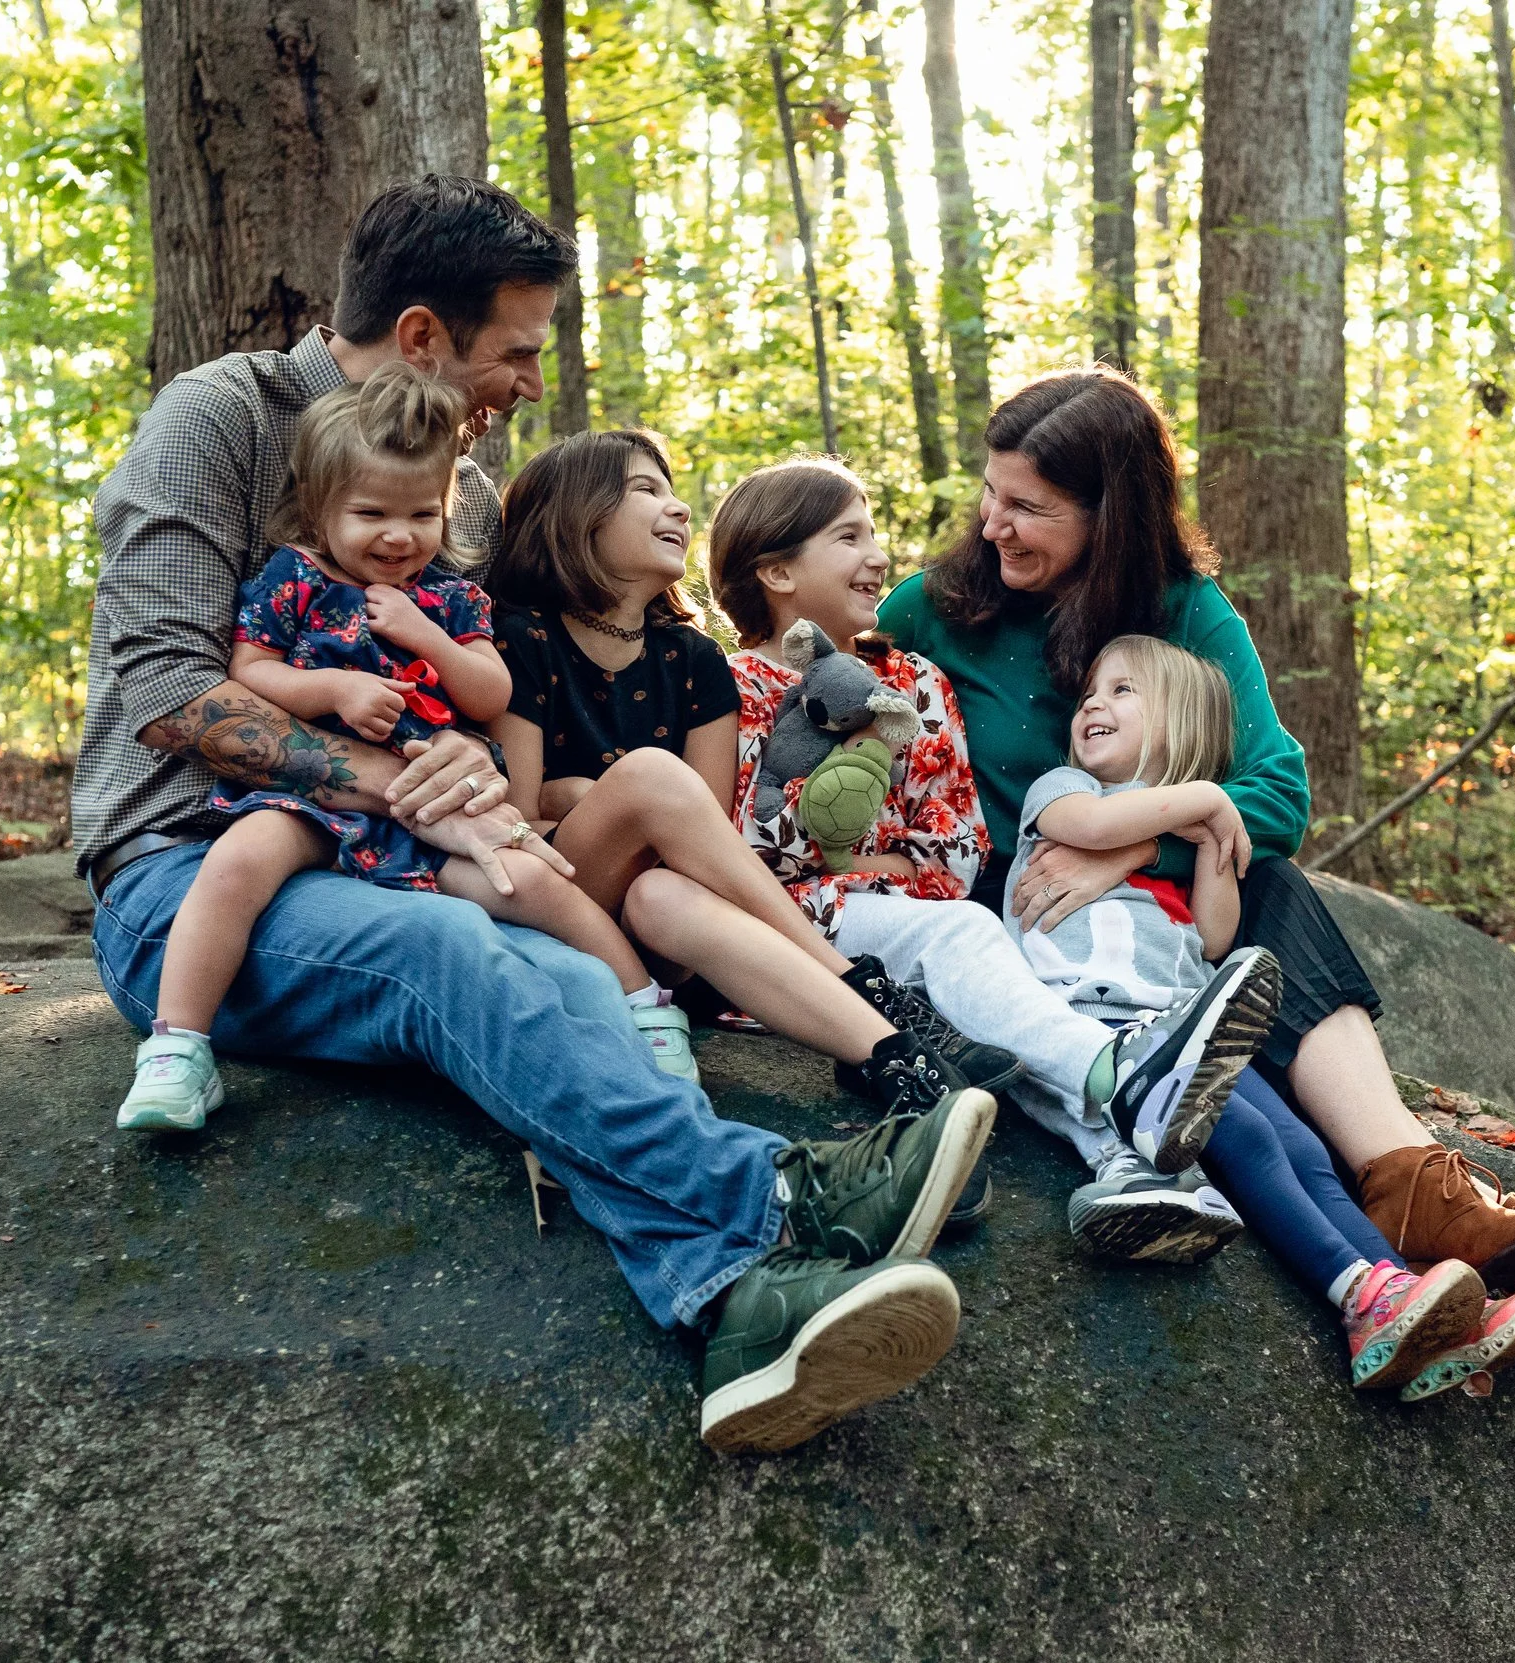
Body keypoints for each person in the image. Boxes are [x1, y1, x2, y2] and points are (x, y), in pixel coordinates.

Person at [76, 173, 992, 1455]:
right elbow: (169, 686)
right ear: (418, 338)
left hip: (407, 858)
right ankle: (780, 1194)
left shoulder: (452, 496)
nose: (524, 387)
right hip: (197, 876)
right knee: (453, 956)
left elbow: (476, 691)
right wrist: (381, 778)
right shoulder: (218, 418)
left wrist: (482, 787)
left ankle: (732, 1305)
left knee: (544, 962)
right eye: (514, 353)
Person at [876, 367, 1515, 1333]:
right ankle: (1421, 1217)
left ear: (1110, 515)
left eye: (1028, 507)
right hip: (1016, 901)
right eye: (991, 494)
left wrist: (1128, 849)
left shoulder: (1184, 610)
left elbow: (1279, 792)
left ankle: (1412, 1178)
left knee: (1273, 878)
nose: (994, 524)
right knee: (1247, 888)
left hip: (1156, 910)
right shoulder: (935, 605)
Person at [712, 456, 1277, 1262]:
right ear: (775, 570)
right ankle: (1119, 1074)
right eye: (849, 537)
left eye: (874, 532)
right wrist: (866, 862)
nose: (878, 555)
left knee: (999, 994)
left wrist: (880, 868)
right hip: (791, 937)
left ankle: (1120, 1162)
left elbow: (953, 849)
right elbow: (736, 845)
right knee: (972, 942)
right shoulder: (731, 686)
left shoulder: (915, 682)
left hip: (903, 931)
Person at [113, 365, 687, 1131]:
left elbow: (489, 692)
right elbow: (250, 671)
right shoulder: (292, 580)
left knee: (531, 882)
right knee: (238, 861)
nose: (398, 534)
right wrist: (333, 692)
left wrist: (425, 636)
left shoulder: (449, 597)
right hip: (311, 797)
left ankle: (647, 1005)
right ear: (322, 510)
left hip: (433, 810)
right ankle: (178, 1046)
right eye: (371, 512)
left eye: (422, 514)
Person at [1011, 634, 1515, 1398]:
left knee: (1303, 1144)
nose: (1093, 705)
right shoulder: (1062, 789)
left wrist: (1209, 847)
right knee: (1246, 1136)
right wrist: (1206, 802)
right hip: (1104, 1034)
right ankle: (1356, 1295)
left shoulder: (1189, 822)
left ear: (1178, 729)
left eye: (1122, 691)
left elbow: (1212, 936)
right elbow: (1094, 830)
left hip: (1185, 1028)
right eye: (1090, 695)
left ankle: (1417, 1304)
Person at [481, 432, 1021, 1117]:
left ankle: (894, 1064)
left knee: (660, 893)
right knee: (649, 777)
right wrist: (588, 796)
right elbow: (523, 817)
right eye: (647, 490)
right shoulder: (523, 637)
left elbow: (704, 837)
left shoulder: (692, 658)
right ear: (572, 519)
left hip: (657, 924)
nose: (677, 508)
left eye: (674, 491)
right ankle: (861, 989)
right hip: (562, 894)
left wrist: (598, 795)